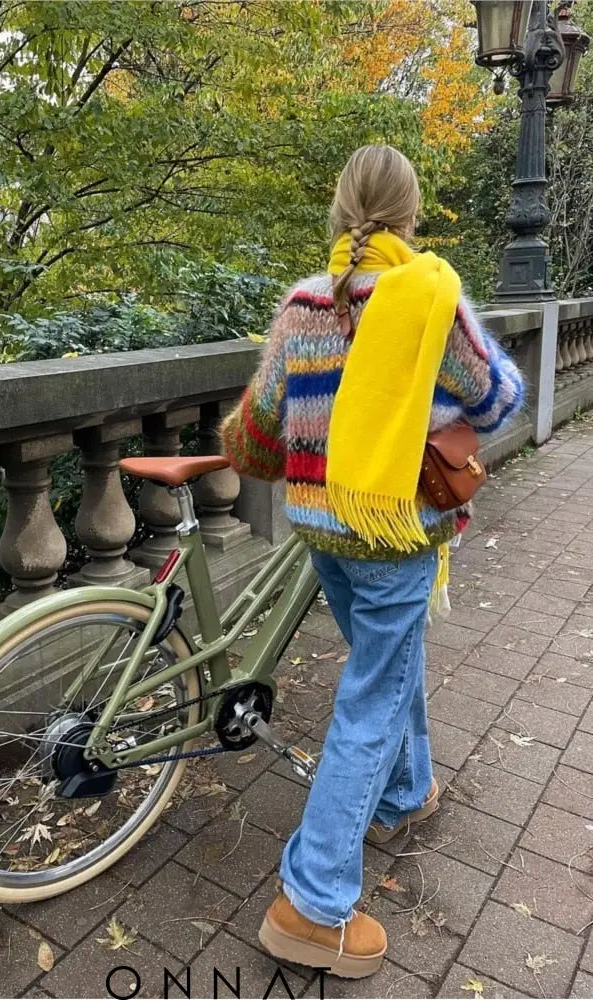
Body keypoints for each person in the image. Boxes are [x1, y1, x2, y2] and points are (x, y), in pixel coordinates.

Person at [220, 145, 524, 979]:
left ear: (339, 207)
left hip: (321, 528)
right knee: (370, 700)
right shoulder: (430, 294)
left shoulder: (301, 305)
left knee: (384, 672)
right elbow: (500, 399)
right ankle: (313, 905)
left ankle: (404, 793)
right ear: (410, 211)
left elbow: (265, 423)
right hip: (395, 532)